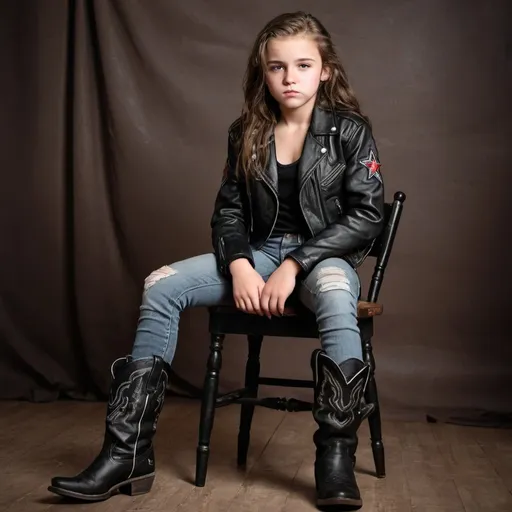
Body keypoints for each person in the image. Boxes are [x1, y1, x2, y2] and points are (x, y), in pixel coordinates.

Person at [48, 10, 384, 510]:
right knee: (160, 284)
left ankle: (334, 457)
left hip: (324, 259)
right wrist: (241, 265)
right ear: (262, 72)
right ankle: (126, 454)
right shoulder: (246, 130)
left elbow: (368, 215)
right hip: (257, 255)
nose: (289, 78)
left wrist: (296, 265)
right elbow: (228, 211)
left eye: (303, 65)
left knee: (336, 295)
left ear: (326, 70)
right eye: (276, 67)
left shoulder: (349, 132)